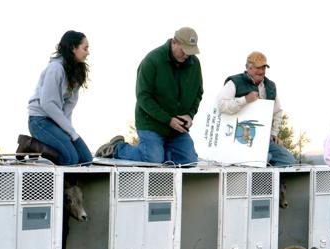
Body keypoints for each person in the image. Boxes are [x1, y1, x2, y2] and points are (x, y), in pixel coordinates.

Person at [96, 28, 203, 165]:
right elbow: (143, 97)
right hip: (151, 124)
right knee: (153, 160)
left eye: (191, 51)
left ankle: (161, 152)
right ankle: (116, 149)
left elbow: (198, 93)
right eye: (184, 50)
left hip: (177, 129)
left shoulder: (195, 64)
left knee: (189, 161)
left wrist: (190, 115)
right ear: (174, 42)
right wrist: (168, 120)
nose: (187, 55)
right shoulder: (152, 60)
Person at [21, 31, 93, 166]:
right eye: (85, 48)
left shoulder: (77, 73)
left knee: (86, 159)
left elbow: (68, 107)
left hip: (55, 121)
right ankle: (32, 146)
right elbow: (48, 104)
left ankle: (56, 146)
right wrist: (71, 133)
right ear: (73, 48)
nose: (88, 53)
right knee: (71, 159)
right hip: (40, 120)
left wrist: (67, 130)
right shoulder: (55, 69)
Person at [216, 51, 296, 167]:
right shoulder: (234, 82)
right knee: (264, 159)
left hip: (263, 139)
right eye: (258, 68)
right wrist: (245, 100)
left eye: (263, 68)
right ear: (248, 67)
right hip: (238, 139)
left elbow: (277, 111)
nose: (261, 71)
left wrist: (274, 133)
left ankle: (266, 173)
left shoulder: (270, 86)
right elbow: (221, 105)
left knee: (288, 161)